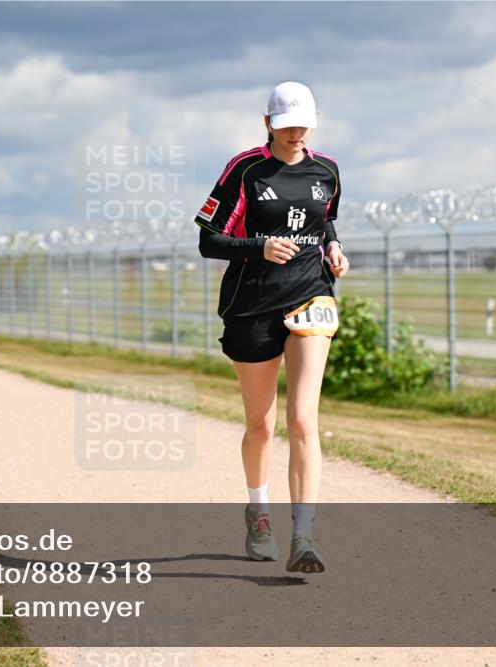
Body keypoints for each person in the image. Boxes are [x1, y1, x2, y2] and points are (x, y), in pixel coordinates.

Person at [193, 81, 350, 573]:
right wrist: (256, 247)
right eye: (286, 125)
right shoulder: (245, 169)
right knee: (261, 424)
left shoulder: (328, 170)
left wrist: (334, 250)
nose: (296, 133)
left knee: (304, 418)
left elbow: (324, 223)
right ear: (268, 124)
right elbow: (208, 240)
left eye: (304, 124)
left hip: (311, 295)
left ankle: (303, 536)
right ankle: (259, 511)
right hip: (253, 302)